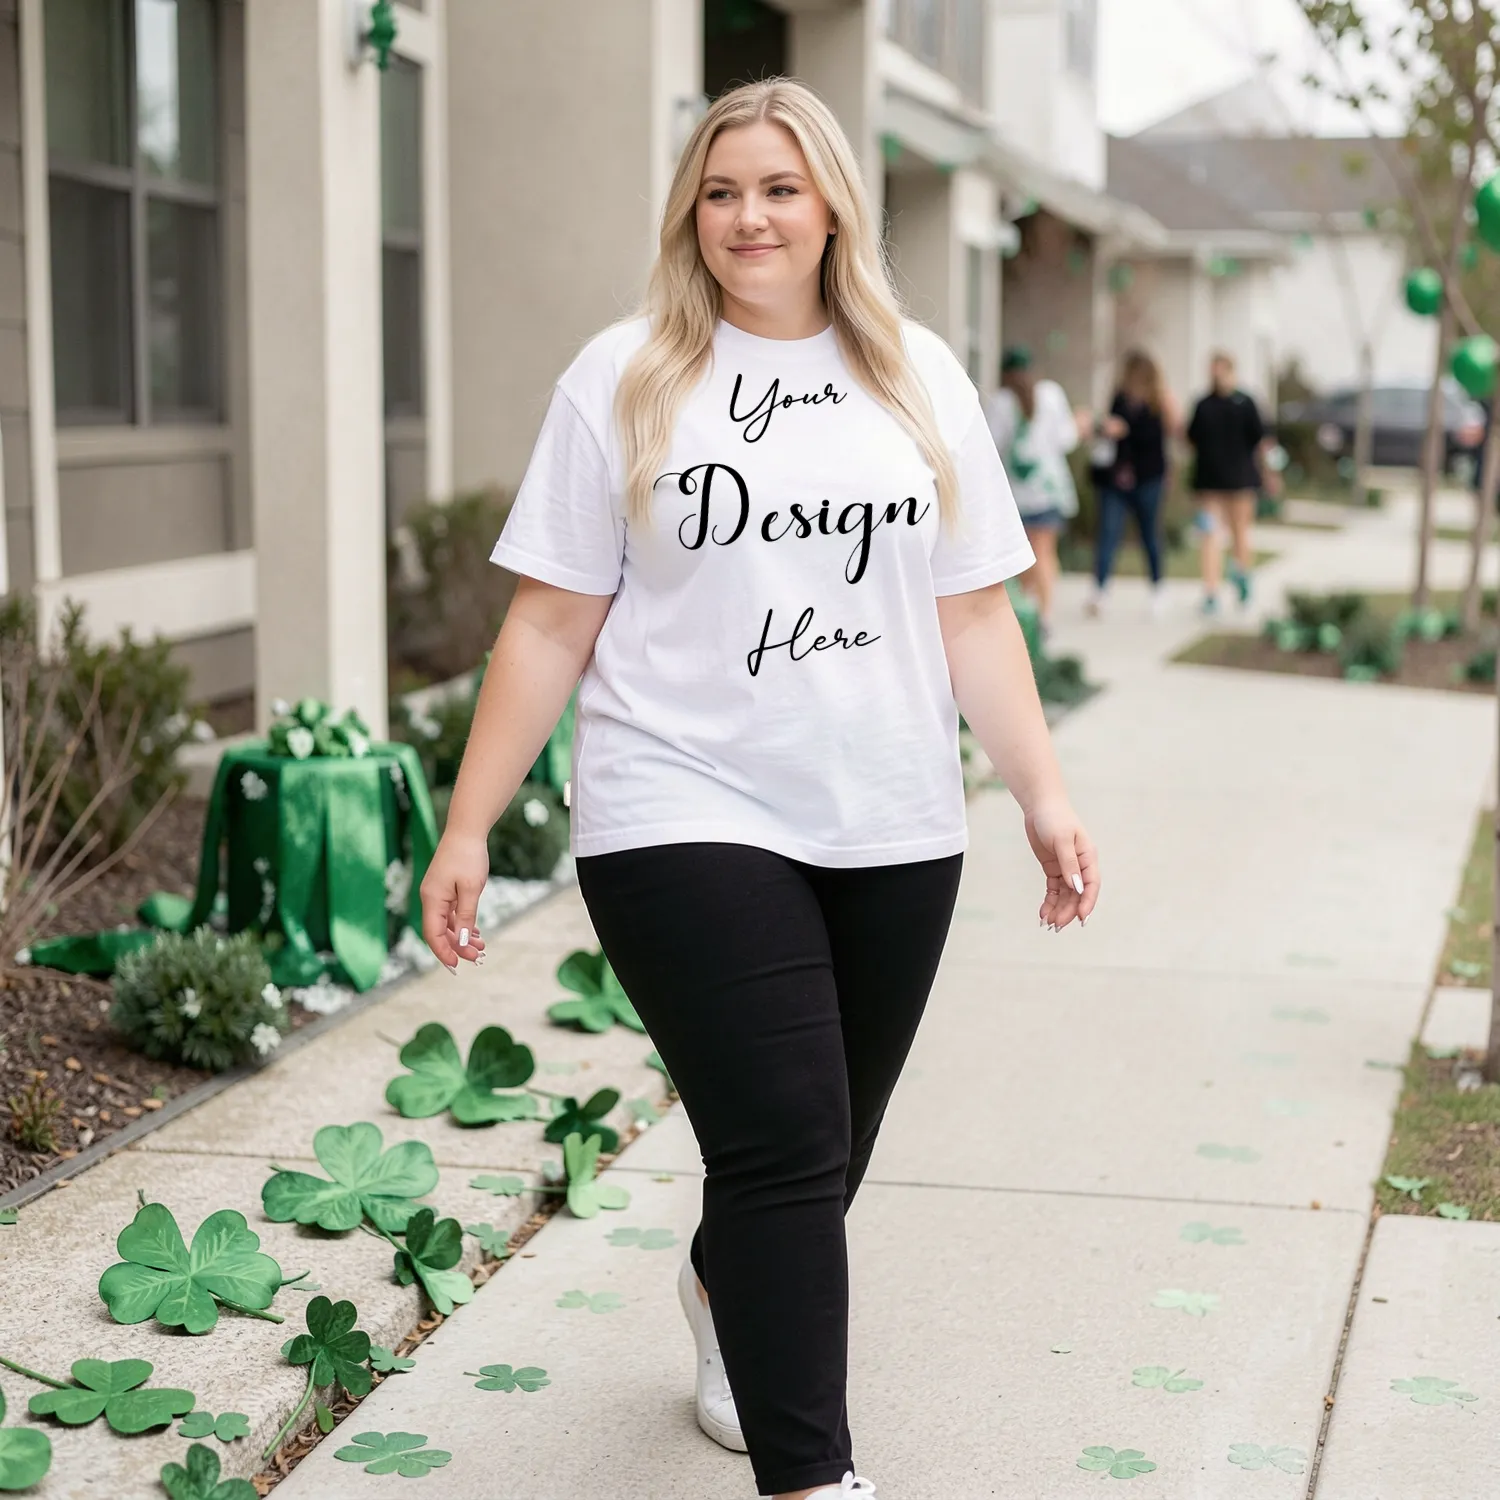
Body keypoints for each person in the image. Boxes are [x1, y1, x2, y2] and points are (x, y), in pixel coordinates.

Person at [418, 78, 1100, 1500]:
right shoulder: (623, 377)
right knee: (786, 1132)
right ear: (691, 212)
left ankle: (729, 1290)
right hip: (680, 805)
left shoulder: (918, 377)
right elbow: (549, 623)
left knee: (819, 1143)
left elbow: (975, 614)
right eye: (722, 191)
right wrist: (471, 821)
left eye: (780, 188)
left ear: (834, 203)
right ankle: (813, 1477)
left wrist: (1041, 794)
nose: (749, 217)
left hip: (891, 814)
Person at [983, 347, 1083, 635]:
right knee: (1045, 552)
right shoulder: (1051, 395)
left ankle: (1028, 609)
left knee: (1024, 554)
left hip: (1017, 494)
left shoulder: (1001, 402)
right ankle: (1045, 613)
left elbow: (990, 445)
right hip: (1049, 489)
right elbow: (1067, 439)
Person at [1088, 348, 1180, 618]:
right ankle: (1100, 591)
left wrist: (1127, 429)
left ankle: (1158, 589)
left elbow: (1164, 436)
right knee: (1108, 534)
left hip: (1148, 478)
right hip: (1116, 479)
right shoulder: (1119, 399)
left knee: (1150, 535)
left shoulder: (1160, 403)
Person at [1187, 352, 1277, 613]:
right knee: (1210, 536)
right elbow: (1192, 439)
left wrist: (1271, 473)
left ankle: (1241, 574)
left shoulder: (1246, 403)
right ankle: (1211, 591)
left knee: (1240, 532)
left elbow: (1262, 441)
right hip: (1210, 482)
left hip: (1241, 480)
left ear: (1231, 372)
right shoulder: (1203, 404)